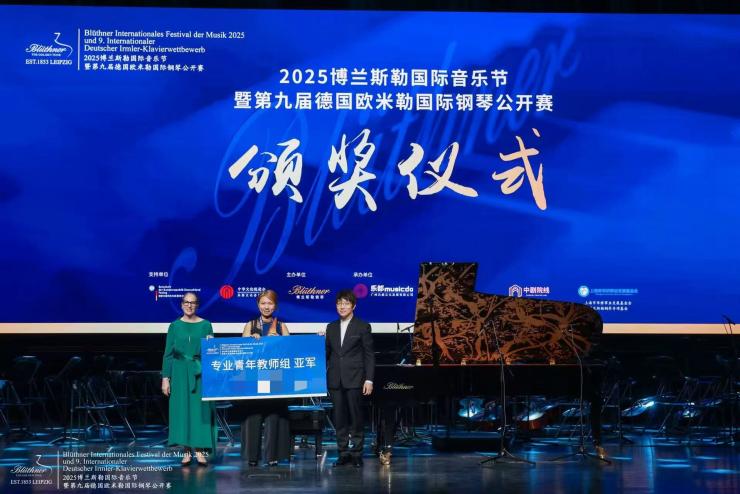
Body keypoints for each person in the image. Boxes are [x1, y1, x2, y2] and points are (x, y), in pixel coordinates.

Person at [161, 292, 217, 466]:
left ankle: (199, 451)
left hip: (199, 372)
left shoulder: (206, 325)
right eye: (186, 302)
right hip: (179, 372)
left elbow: (211, 351)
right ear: (181, 304)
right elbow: (168, 355)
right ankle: (186, 451)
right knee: (182, 411)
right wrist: (165, 378)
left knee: (199, 411)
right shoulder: (174, 326)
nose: (189, 305)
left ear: (197, 305)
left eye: (193, 303)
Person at [240, 289, 292, 467]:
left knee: (273, 416)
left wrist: (279, 342)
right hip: (253, 378)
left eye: (270, 303)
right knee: (253, 416)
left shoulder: (281, 326)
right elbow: (242, 355)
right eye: (263, 303)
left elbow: (291, 352)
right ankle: (252, 456)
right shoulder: (250, 325)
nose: (266, 306)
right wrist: (250, 342)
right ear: (258, 305)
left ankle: (272, 456)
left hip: (275, 376)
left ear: (275, 306)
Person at [325, 289, 375, 467]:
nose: (342, 307)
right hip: (335, 379)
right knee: (339, 418)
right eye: (339, 303)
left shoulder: (362, 326)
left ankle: (357, 453)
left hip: (355, 379)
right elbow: (326, 354)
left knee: (356, 417)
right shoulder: (330, 327)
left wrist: (369, 379)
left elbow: (369, 355)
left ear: (353, 306)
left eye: (346, 303)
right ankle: (343, 453)